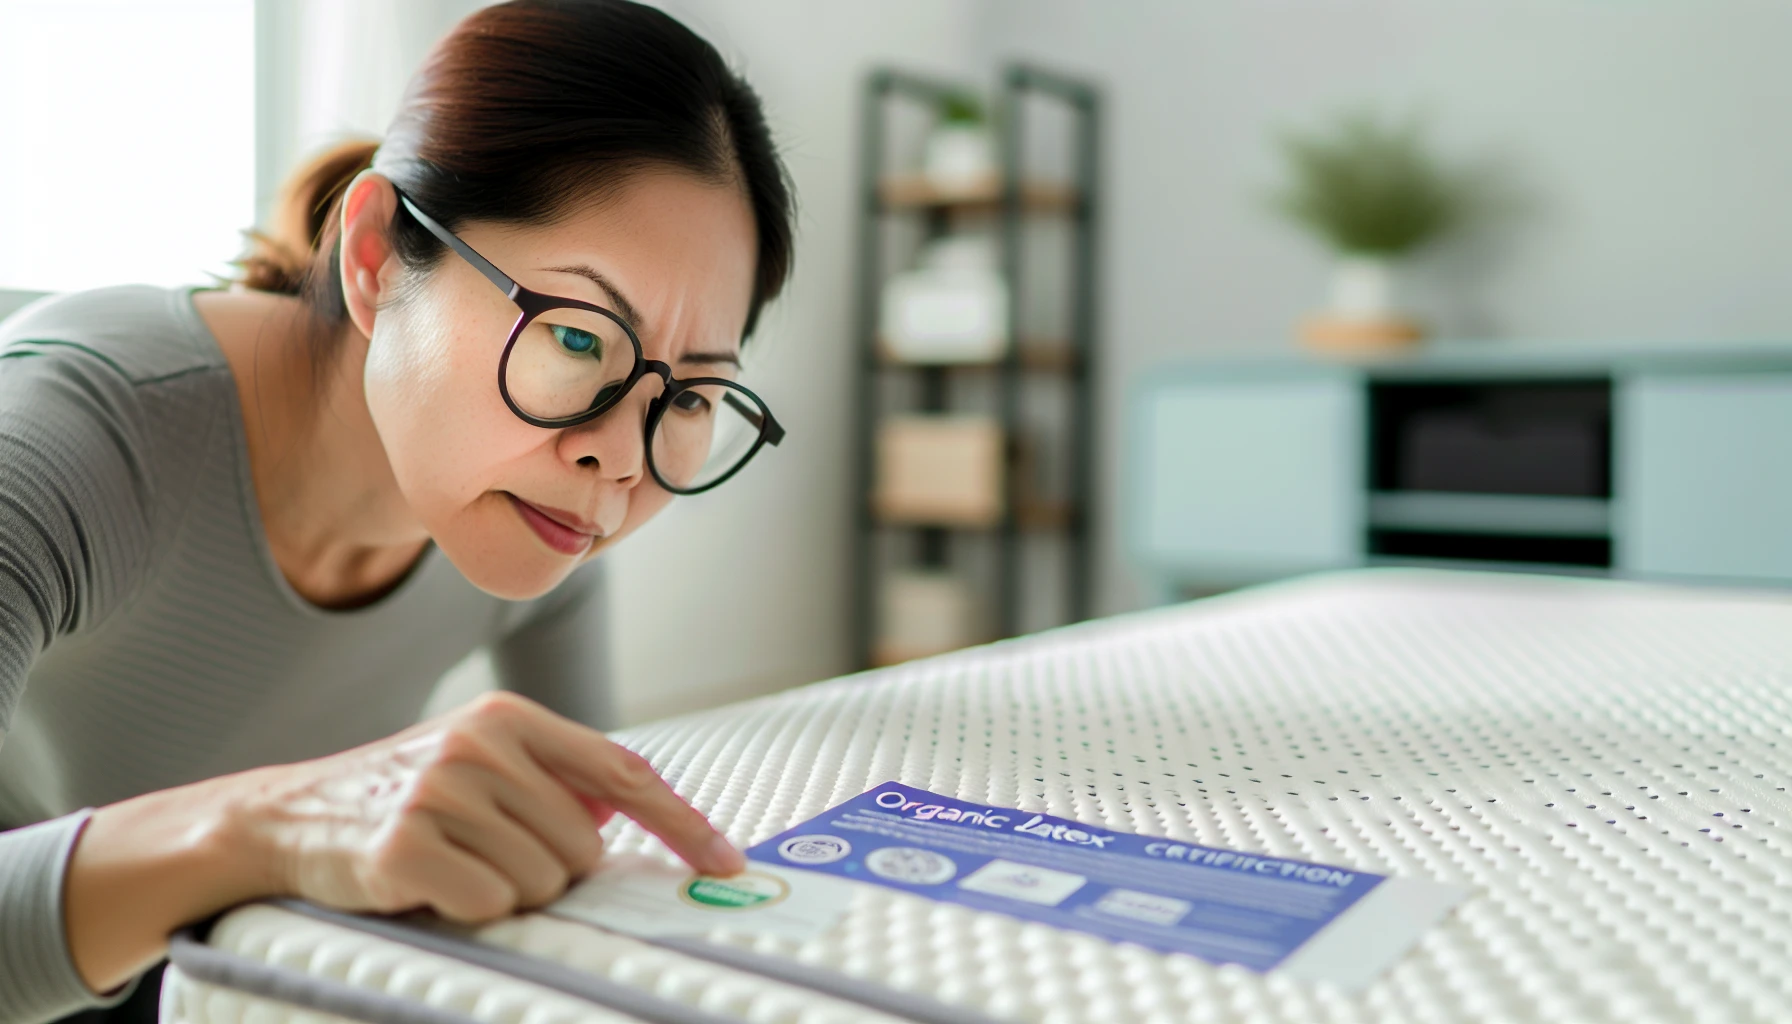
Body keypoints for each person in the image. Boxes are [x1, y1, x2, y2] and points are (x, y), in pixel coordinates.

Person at [0, 2, 794, 1022]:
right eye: (580, 339)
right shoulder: (84, 431)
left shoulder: (541, 517)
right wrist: (274, 827)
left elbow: (593, 854)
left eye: (685, 397)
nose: (621, 457)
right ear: (376, 257)